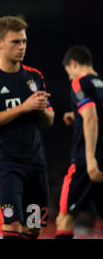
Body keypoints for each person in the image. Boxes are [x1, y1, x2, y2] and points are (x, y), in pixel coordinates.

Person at [0, 16, 55, 239]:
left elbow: (49, 119)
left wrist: (41, 110)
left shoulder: (34, 76)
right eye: (15, 42)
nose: (22, 47)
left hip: (36, 163)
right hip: (6, 165)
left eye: (24, 42)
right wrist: (24, 107)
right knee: (11, 225)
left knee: (33, 227)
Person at [55, 45, 103, 239]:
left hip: (86, 164)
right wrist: (75, 115)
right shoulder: (101, 83)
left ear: (73, 64)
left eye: (68, 72)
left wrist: (91, 160)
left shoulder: (79, 83)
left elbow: (91, 118)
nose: (69, 77)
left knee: (64, 220)